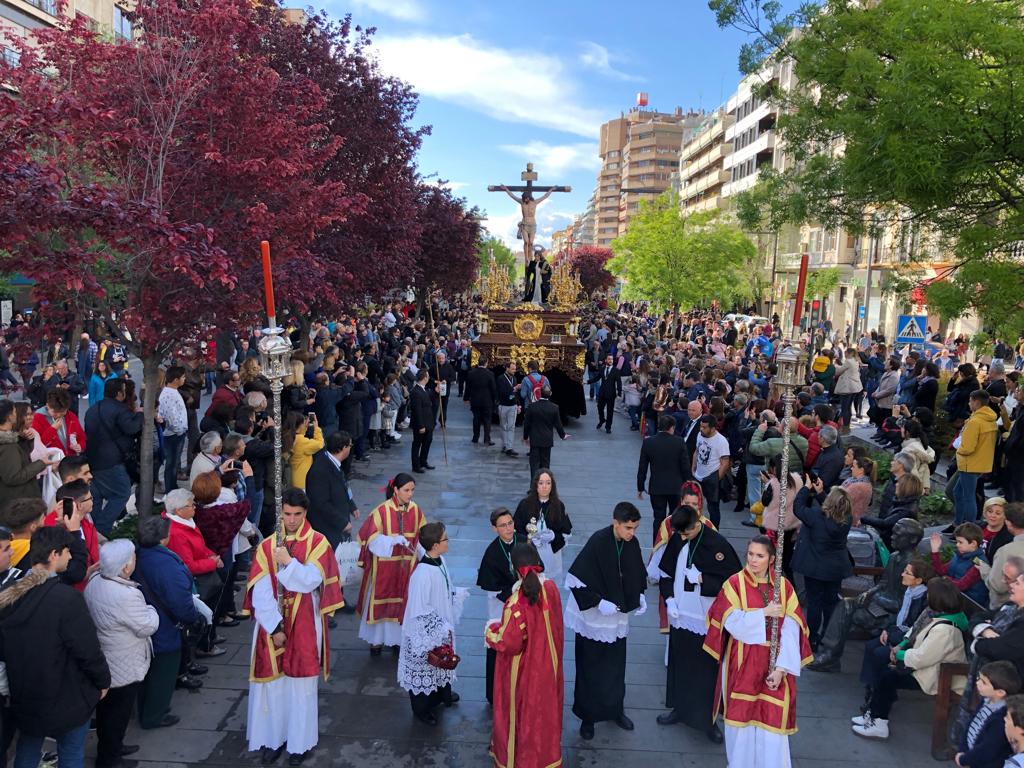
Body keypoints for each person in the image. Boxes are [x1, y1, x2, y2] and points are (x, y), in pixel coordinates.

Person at [243, 488, 343, 766]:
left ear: (305, 513)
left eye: (297, 514)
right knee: (273, 687)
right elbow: (260, 590)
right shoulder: (267, 546)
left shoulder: (318, 543)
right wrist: (274, 627)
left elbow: (310, 581)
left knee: (301, 688)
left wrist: (287, 563)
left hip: (305, 624)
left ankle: (299, 743)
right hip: (270, 625)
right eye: (286, 514)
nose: (291, 520)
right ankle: (272, 739)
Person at [0, 526, 111, 768]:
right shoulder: (66, 599)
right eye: (67, 551)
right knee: (70, 753)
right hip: (67, 694)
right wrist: (103, 682)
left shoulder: (10, 593)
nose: (71, 556)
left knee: (27, 749)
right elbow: (87, 650)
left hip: (25, 692)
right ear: (53, 555)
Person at [703, 535, 812, 768]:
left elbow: (792, 631)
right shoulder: (734, 584)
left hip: (775, 665)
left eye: (760, 556)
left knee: (771, 727)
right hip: (742, 662)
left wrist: (782, 669)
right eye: (750, 554)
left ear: (772, 559)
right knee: (740, 724)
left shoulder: (784, 587)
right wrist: (763, 613)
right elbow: (731, 623)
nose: (753, 560)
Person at [655, 504, 741, 743]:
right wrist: (669, 599)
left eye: (687, 533)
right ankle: (679, 709)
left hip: (705, 619)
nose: (683, 538)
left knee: (705, 671)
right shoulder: (678, 538)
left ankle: (707, 720)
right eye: (680, 534)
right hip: (681, 615)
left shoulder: (717, 544)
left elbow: (733, 581)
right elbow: (666, 573)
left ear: (697, 524)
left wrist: (703, 579)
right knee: (680, 663)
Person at [565, 502, 647, 741]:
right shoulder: (598, 542)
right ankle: (588, 717)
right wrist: (598, 602)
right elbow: (576, 580)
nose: (632, 533)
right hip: (593, 618)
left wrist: (639, 594)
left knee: (615, 665)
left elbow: (636, 572)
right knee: (591, 667)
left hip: (616, 619)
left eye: (635, 528)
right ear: (616, 523)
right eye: (628, 527)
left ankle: (614, 709)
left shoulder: (631, 544)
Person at [852, 577, 968, 739]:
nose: (927, 597)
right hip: (928, 668)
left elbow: (922, 658)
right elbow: (916, 635)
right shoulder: (941, 618)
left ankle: (879, 722)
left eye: (929, 594)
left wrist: (898, 654)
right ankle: (873, 713)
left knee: (888, 676)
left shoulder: (945, 630)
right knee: (885, 670)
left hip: (936, 675)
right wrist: (900, 647)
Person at [485, 543, 564, 768]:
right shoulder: (551, 589)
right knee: (544, 716)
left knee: (521, 717)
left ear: (515, 567)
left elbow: (508, 642)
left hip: (524, 672)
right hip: (550, 666)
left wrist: (491, 632)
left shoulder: (516, 602)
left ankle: (518, 759)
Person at [84, 539, 159, 768]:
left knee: (109, 710)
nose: (135, 561)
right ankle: (109, 758)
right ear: (125, 567)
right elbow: (147, 626)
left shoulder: (95, 581)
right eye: (133, 558)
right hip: (124, 661)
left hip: (107, 656)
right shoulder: (126, 595)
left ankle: (113, 747)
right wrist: (151, 609)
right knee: (117, 713)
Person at [133, 515, 201, 730]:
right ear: (164, 538)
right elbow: (179, 599)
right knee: (163, 672)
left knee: (148, 672)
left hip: (143, 623)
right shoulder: (166, 563)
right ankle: (154, 715)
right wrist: (192, 617)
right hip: (165, 627)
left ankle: (146, 709)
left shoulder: (137, 556)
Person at [397, 521, 467, 725]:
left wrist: (455, 594)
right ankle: (422, 710)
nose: (448, 541)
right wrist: (440, 626)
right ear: (435, 545)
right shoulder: (421, 574)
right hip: (425, 632)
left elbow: (445, 586)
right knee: (427, 664)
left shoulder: (440, 561)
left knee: (440, 663)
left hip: (440, 626)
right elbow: (420, 610)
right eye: (445, 538)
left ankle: (440, 697)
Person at [355, 473, 426, 655]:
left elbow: (421, 536)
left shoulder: (416, 510)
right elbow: (367, 537)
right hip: (384, 568)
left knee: (403, 600)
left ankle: (397, 640)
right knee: (382, 600)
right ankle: (376, 640)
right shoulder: (381, 511)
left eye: (412, 490)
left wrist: (425, 556)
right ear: (395, 490)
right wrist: (391, 541)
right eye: (406, 490)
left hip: (406, 566)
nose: (410, 494)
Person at [792, 482, 854, 650]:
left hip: (815, 568)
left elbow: (797, 507)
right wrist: (821, 493)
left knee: (814, 603)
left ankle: (812, 638)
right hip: (835, 568)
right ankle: (828, 635)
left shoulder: (815, 516)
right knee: (830, 602)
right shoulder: (846, 519)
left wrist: (805, 488)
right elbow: (834, 505)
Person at [84, 378, 143, 535]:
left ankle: (93, 531)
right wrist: (139, 415)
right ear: (119, 393)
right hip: (111, 461)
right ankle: (101, 529)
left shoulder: (92, 409)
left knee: (95, 497)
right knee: (122, 493)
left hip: (92, 460)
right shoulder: (120, 409)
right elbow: (131, 428)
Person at [476, 508, 519, 706]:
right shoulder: (492, 553)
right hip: (500, 608)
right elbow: (491, 587)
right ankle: (495, 694)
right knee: (498, 647)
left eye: (510, 523)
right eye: (503, 525)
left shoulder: (524, 542)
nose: (509, 528)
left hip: (522, 607)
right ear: (494, 529)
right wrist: (515, 590)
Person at [637, 414, 692, 539]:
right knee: (675, 517)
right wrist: (688, 483)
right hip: (676, 487)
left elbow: (642, 467)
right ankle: (673, 542)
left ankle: (657, 544)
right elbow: (685, 466)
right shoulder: (679, 442)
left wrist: (640, 486)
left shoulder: (648, 442)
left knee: (658, 517)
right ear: (672, 427)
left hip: (657, 487)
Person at [955, 660, 1019, 768]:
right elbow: (971, 724)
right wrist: (963, 749)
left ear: (1000, 692)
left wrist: (964, 759)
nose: (977, 682)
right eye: (979, 678)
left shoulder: (1001, 719)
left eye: (984, 682)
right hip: (971, 756)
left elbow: (988, 749)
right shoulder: (986, 700)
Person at [305, 430, 360, 551]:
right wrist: (342, 523)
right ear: (344, 448)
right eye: (350, 446)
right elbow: (321, 503)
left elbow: (343, 486)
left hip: (335, 525)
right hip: (327, 529)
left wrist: (351, 505)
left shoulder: (333, 463)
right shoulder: (320, 470)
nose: (350, 449)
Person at [512, 469, 572, 580]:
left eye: (548, 483)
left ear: (552, 486)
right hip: (530, 555)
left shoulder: (559, 506)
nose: (544, 486)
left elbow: (566, 532)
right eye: (541, 483)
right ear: (535, 485)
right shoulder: (525, 504)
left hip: (550, 555)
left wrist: (553, 536)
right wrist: (528, 540)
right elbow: (516, 530)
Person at [44, 479, 100, 592]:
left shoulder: (86, 523)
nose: (93, 500)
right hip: (71, 590)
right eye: (90, 498)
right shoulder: (50, 528)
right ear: (79, 505)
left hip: (91, 582)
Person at [0, 400, 56, 508]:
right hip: (17, 501)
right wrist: (41, 463)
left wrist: (24, 439)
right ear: (9, 417)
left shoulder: (13, 438)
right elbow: (14, 477)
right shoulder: (7, 445)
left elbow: (21, 459)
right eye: (15, 412)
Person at [954, 390, 998, 524]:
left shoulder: (975, 421)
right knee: (958, 491)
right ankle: (958, 523)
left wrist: (958, 448)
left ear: (976, 402)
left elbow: (967, 447)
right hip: (980, 462)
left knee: (968, 497)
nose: (968, 403)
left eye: (970, 401)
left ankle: (968, 528)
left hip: (970, 463)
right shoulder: (990, 419)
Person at [930, 524, 990, 606]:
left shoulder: (979, 562)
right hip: (955, 595)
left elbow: (962, 585)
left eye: (960, 542)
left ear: (973, 543)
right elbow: (940, 571)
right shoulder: (959, 556)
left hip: (970, 603)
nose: (957, 545)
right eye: (957, 541)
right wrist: (935, 551)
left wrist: (945, 579)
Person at [522, 384, 568, 479]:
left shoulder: (532, 407)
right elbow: (558, 424)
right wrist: (562, 435)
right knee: (545, 465)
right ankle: (545, 487)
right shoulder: (554, 407)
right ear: (550, 394)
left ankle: (533, 487)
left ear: (540, 393)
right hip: (547, 440)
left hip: (535, 440)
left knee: (534, 465)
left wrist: (525, 437)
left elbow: (526, 424)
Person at [693, 414, 730, 528]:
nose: (701, 429)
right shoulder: (700, 435)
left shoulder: (721, 441)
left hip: (711, 478)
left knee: (713, 507)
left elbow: (725, 462)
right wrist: (693, 467)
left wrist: (715, 479)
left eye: (704, 427)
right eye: (701, 426)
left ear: (713, 428)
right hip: (698, 476)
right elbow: (697, 451)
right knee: (694, 504)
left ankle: (714, 531)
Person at [986, 503, 1024, 609]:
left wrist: (985, 571)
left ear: (1008, 523)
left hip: (1006, 607)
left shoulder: (1006, 551)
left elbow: (998, 585)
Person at [158, 365, 189, 494]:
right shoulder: (169, 394)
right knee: (172, 462)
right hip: (173, 435)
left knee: (174, 462)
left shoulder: (171, 392)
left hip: (176, 433)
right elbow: (170, 415)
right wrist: (179, 430)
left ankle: (172, 484)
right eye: (182, 377)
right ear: (176, 379)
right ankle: (170, 488)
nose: (184, 379)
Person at [31, 388, 85, 457]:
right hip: (51, 461)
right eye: (55, 412)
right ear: (47, 406)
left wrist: (80, 446)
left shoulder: (70, 416)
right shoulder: (37, 418)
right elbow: (38, 445)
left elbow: (82, 437)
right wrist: (53, 429)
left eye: (62, 412)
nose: (59, 415)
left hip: (70, 460)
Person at [283, 411, 324, 490]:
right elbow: (319, 444)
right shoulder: (301, 441)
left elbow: (300, 434)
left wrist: (304, 427)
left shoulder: (288, 436)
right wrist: (316, 428)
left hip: (292, 478)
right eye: (303, 423)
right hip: (302, 481)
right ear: (299, 425)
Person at [464, 353, 497, 446]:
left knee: (476, 419)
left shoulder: (471, 373)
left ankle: (475, 437)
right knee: (487, 420)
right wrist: (495, 399)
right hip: (487, 401)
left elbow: (468, 387)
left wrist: (466, 398)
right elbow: (493, 388)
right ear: (486, 363)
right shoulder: (490, 374)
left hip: (475, 400)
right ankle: (487, 438)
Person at [409, 369, 437, 473]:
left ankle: (423, 460)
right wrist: (421, 426)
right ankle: (416, 465)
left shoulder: (424, 389)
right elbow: (417, 410)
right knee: (417, 444)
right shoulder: (416, 391)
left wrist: (436, 391)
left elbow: (430, 397)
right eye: (428, 376)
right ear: (425, 378)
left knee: (427, 442)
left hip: (428, 422)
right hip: (420, 424)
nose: (429, 378)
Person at [496, 361, 521, 457]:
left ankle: (509, 447)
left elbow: (515, 394)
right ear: (507, 368)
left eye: (515, 369)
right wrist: (514, 389)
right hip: (503, 405)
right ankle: (504, 444)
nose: (514, 371)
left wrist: (518, 404)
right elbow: (502, 392)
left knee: (511, 427)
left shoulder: (514, 378)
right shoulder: (501, 378)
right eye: (512, 369)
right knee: (503, 426)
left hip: (513, 406)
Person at [595, 354, 622, 434]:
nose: (611, 361)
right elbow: (597, 377)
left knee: (610, 411)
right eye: (609, 359)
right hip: (602, 392)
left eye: (612, 359)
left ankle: (608, 427)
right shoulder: (602, 368)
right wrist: (588, 382)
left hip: (611, 394)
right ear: (606, 360)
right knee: (600, 408)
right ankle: (602, 420)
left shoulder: (616, 370)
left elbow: (619, 382)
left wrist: (619, 392)